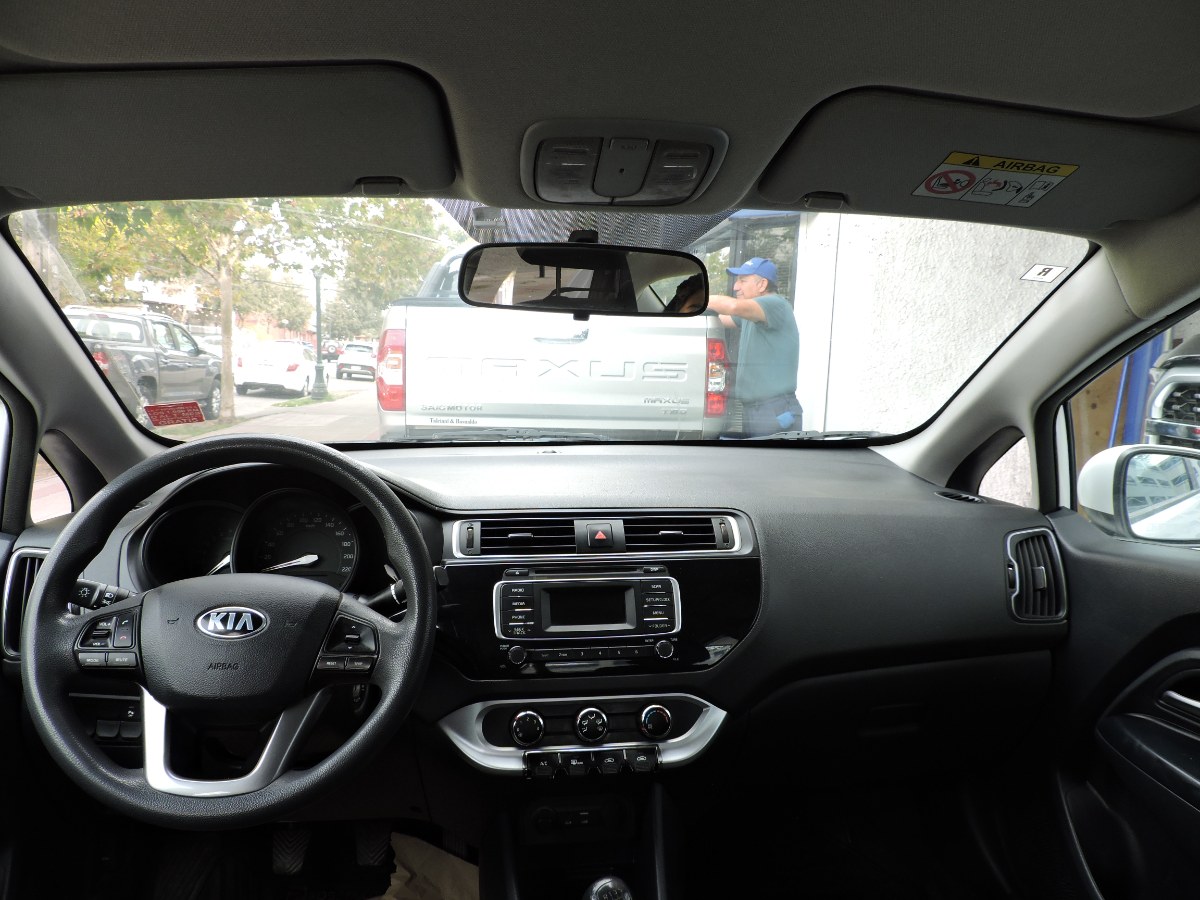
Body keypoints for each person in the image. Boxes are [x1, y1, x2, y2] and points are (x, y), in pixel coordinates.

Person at [705, 257, 803, 436]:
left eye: (742, 281)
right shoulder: (754, 313)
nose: (736, 287)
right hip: (755, 410)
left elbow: (733, 307)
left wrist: (698, 299)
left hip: (773, 409)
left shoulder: (775, 304)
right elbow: (718, 320)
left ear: (762, 284)